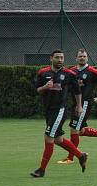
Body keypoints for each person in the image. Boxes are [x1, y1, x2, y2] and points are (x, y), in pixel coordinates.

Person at [30, 50, 88, 178]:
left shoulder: (69, 74)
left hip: (60, 110)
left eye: (62, 57)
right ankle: (80, 155)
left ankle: (41, 170)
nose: (60, 60)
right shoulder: (42, 73)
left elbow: (77, 91)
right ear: (51, 58)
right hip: (48, 110)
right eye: (57, 57)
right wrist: (45, 87)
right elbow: (37, 90)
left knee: (48, 137)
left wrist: (79, 106)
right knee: (58, 139)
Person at [58, 49, 97, 164]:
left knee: (74, 130)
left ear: (87, 58)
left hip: (85, 104)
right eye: (80, 56)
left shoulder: (93, 71)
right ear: (76, 58)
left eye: (84, 56)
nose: (82, 58)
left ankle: (70, 158)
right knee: (80, 130)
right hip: (75, 103)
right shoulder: (71, 71)